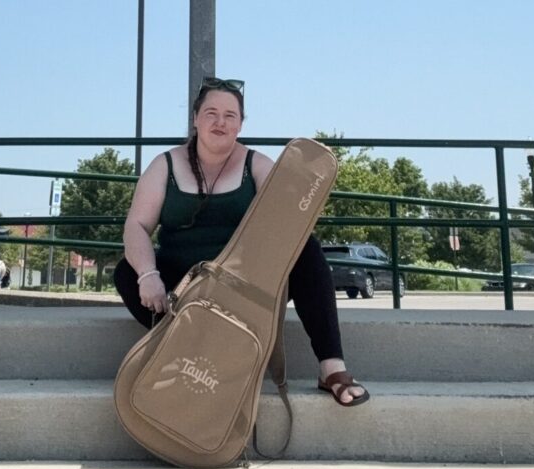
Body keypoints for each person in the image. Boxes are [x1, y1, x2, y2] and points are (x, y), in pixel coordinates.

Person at [113, 77, 369, 406]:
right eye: (211, 113)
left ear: (241, 123)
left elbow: (291, 221)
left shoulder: (257, 165)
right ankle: (183, 351)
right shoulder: (165, 164)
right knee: (126, 272)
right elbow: (136, 225)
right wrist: (148, 274)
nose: (220, 122)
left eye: (230, 115)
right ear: (195, 118)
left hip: (241, 283)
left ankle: (332, 367)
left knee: (308, 249)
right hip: (181, 286)